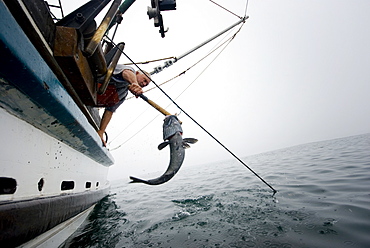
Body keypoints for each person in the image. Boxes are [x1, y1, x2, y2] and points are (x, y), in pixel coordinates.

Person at [97, 64, 151, 146]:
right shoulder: (128, 70)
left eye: (146, 84)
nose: (143, 84)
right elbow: (126, 73)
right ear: (137, 73)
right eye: (144, 80)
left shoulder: (122, 95)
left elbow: (109, 111)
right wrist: (134, 83)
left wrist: (101, 131)